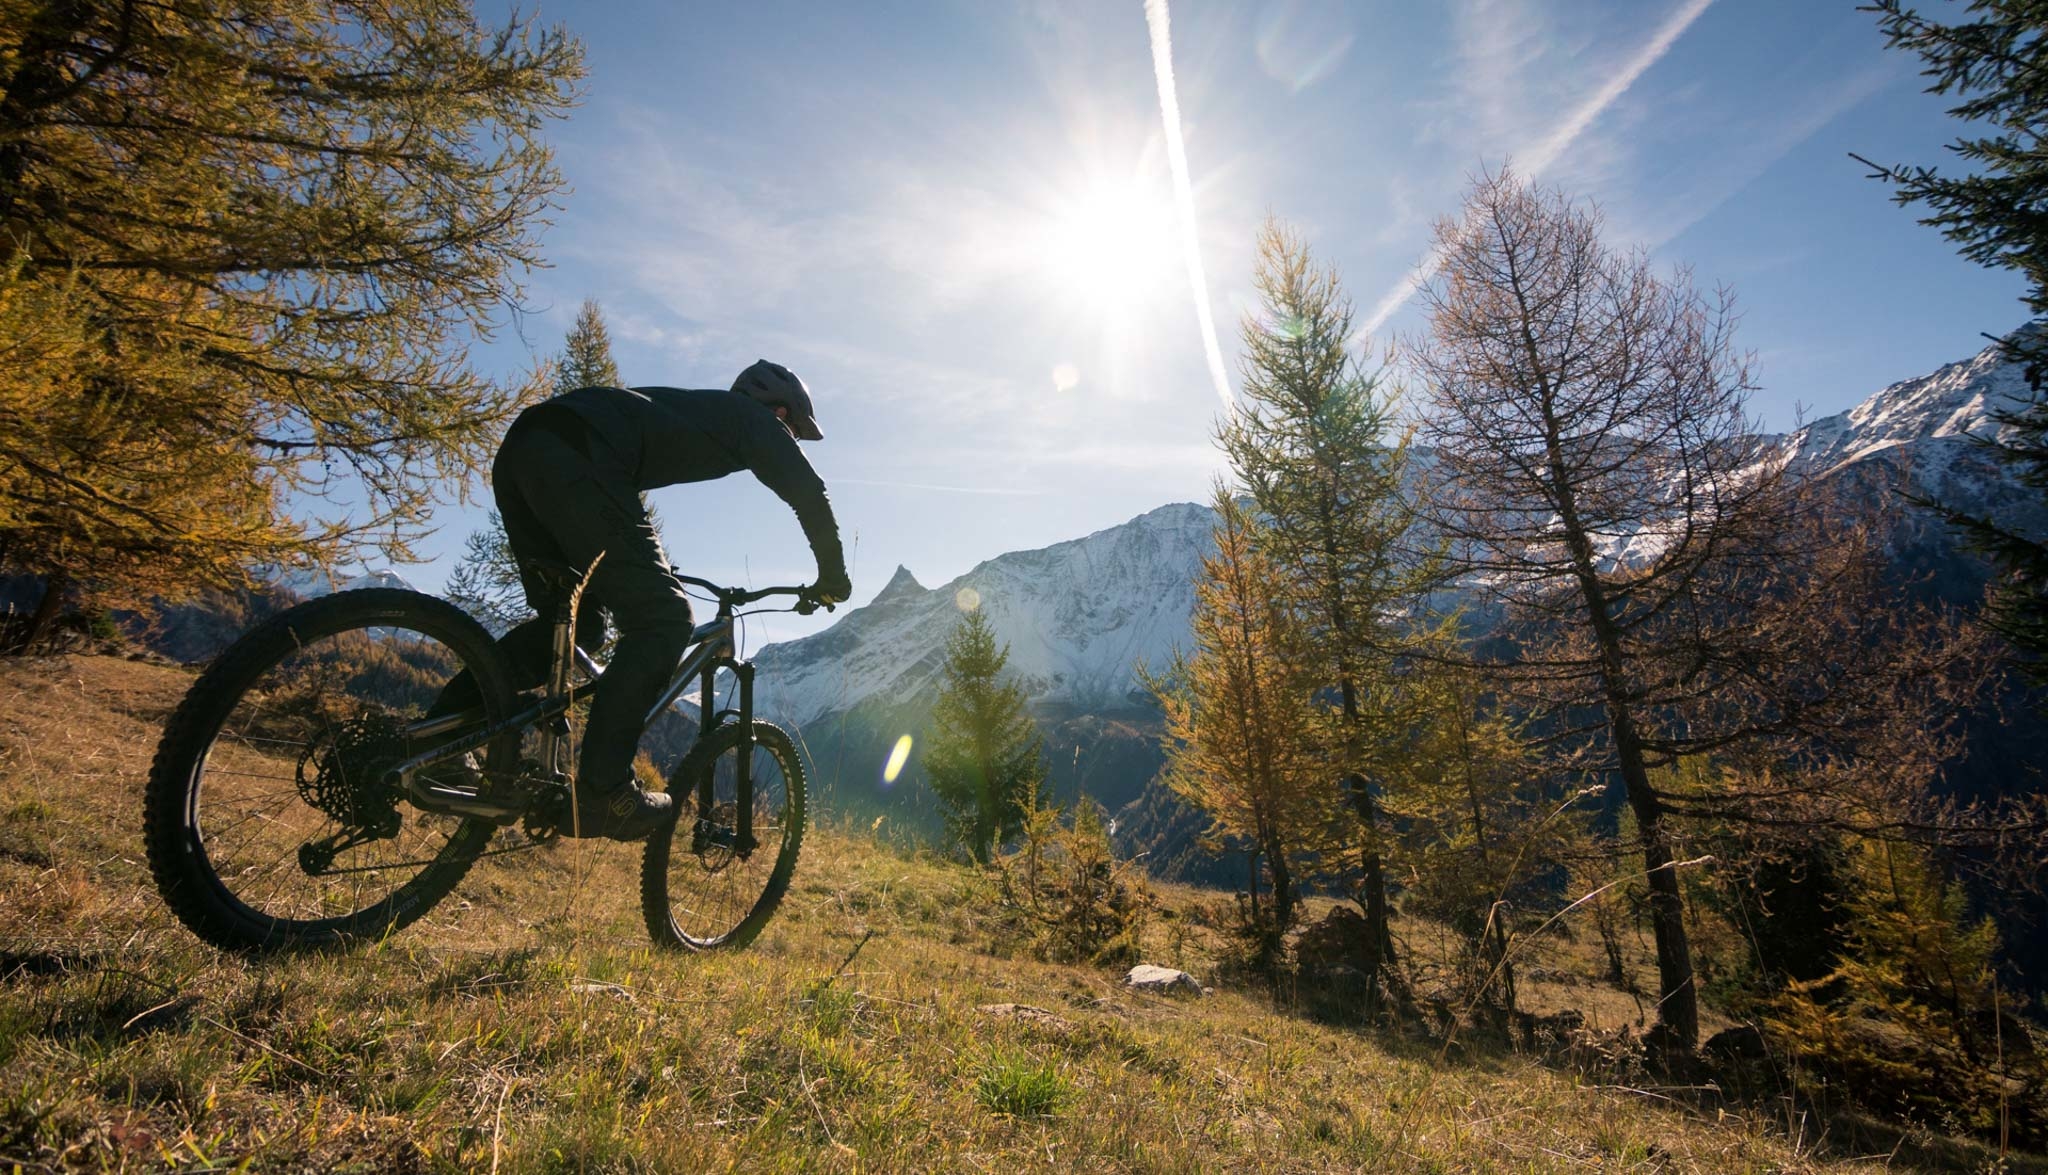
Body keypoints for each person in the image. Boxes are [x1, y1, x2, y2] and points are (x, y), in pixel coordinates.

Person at [478, 359, 850, 839]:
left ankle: (437, 738)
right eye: (794, 431)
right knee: (665, 618)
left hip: (524, 451)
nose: (791, 440)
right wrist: (834, 576)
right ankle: (602, 792)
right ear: (780, 411)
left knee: (576, 628)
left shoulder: (697, 411)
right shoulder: (754, 420)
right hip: (579, 454)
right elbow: (809, 492)